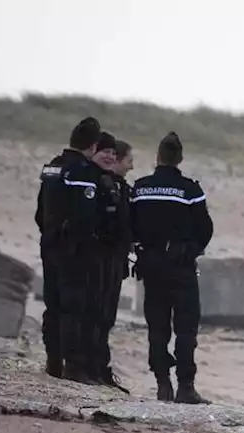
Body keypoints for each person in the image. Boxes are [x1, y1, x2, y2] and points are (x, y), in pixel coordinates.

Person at [130, 131, 214, 404]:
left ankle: (162, 383)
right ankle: (186, 387)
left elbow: (129, 225)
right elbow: (205, 229)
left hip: (151, 266)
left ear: (158, 157)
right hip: (180, 267)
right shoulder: (190, 190)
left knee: (157, 327)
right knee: (186, 328)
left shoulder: (140, 188)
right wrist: (191, 249)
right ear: (180, 158)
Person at [34, 116, 102, 381]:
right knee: (73, 306)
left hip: (49, 242)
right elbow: (85, 216)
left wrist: (49, 232)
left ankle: (53, 361)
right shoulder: (83, 172)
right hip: (73, 248)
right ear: (93, 146)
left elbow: (41, 210)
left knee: (52, 304)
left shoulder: (52, 167)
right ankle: (72, 365)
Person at [89, 137, 135, 392]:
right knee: (97, 313)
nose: (131, 166)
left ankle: (99, 368)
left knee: (106, 316)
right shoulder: (103, 185)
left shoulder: (120, 187)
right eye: (128, 161)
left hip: (115, 259)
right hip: (101, 258)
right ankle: (91, 368)